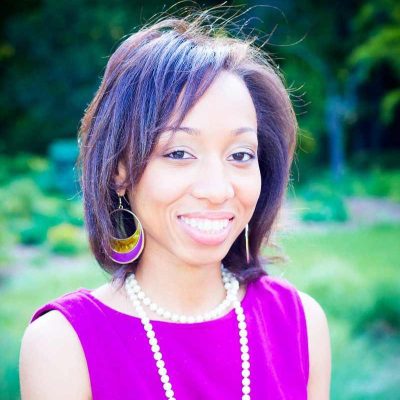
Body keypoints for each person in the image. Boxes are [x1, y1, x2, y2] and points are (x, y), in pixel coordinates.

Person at [19, 11, 331, 400]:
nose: (217, 190)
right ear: (119, 171)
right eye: (180, 152)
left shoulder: (300, 324)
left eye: (240, 155)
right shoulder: (64, 345)